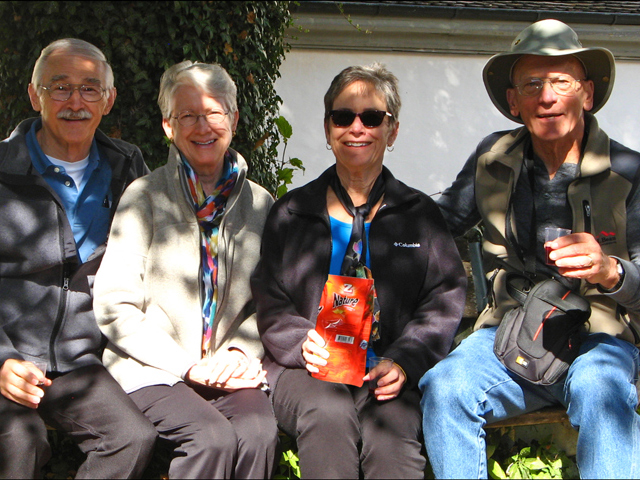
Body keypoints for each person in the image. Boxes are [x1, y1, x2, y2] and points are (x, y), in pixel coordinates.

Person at [420, 19, 640, 479]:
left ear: (587, 94)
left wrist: (610, 272)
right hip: (508, 335)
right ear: (513, 102)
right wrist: (361, 209)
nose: (547, 96)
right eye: (532, 84)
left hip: (600, 337)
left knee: (602, 388)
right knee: (446, 386)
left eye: (561, 81)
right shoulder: (492, 159)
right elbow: (432, 224)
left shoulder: (628, 172)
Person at [252, 63, 467, 479]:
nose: (357, 128)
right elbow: (268, 296)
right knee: (327, 413)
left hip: (385, 368)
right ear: (328, 127)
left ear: (393, 131)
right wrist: (301, 342)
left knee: (394, 436)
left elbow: (443, 297)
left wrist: (405, 361)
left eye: (372, 118)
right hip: (307, 371)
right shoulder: (292, 212)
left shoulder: (419, 214)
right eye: (343, 116)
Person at [93, 60, 278, 479]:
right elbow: (112, 304)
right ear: (168, 126)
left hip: (230, 367)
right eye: (188, 115)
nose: (202, 126)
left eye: (213, 112)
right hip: (151, 367)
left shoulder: (262, 205)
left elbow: (269, 303)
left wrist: (239, 354)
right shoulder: (144, 197)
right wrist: (186, 364)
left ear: (233, 118)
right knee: (210, 437)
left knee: (258, 432)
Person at [0, 38, 156, 478]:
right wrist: (1, 360)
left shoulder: (128, 171)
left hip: (81, 363)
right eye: (59, 87)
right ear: (34, 95)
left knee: (131, 438)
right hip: (10, 354)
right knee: (20, 442)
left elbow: (162, 261)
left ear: (108, 101)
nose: (75, 102)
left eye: (90, 89)